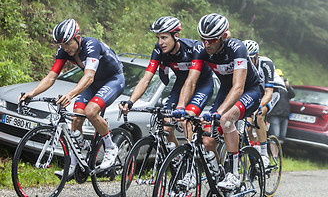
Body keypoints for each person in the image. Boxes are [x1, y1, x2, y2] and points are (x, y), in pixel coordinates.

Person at [19, 19, 125, 179]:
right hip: (94, 83)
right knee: (76, 118)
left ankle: (110, 147)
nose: (65, 48)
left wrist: (70, 94)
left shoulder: (91, 45)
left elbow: (89, 76)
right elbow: (51, 77)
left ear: (78, 37)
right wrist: (32, 93)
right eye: (62, 45)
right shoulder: (64, 52)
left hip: (113, 80)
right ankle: (74, 166)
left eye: (68, 43)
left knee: (90, 111)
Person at [173, 13, 261, 190]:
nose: (206, 44)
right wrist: (181, 106)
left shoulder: (237, 48)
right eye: (203, 39)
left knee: (225, 119)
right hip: (226, 91)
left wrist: (219, 112)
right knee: (208, 141)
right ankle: (218, 174)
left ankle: (234, 175)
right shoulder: (202, 50)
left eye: (212, 40)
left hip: (250, 90)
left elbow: (238, 88)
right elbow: (190, 81)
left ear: (224, 37)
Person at [119, 16, 214, 146]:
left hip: (202, 85)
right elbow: (146, 79)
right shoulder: (159, 50)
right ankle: (177, 159)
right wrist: (130, 101)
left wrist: (181, 106)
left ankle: (189, 157)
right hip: (181, 84)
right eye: (158, 38)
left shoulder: (194, 48)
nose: (160, 42)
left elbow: (191, 81)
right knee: (166, 128)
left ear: (176, 36)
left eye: (164, 37)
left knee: (186, 120)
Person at [242, 40, 286, 167]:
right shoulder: (241, 64)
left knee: (259, 115)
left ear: (256, 56)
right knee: (247, 124)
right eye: (245, 60)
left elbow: (269, 91)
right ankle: (254, 147)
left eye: (250, 59)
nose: (248, 63)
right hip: (255, 91)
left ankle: (264, 154)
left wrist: (260, 106)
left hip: (272, 91)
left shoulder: (266, 63)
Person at [267, 69, 295, 143]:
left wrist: (288, 86)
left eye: (281, 76)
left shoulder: (285, 88)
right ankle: (273, 154)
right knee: (275, 136)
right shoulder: (272, 87)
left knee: (282, 137)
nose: (280, 78)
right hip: (274, 115)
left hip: (284, 116)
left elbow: (292, 95)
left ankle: (277, 154)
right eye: (278, 76)